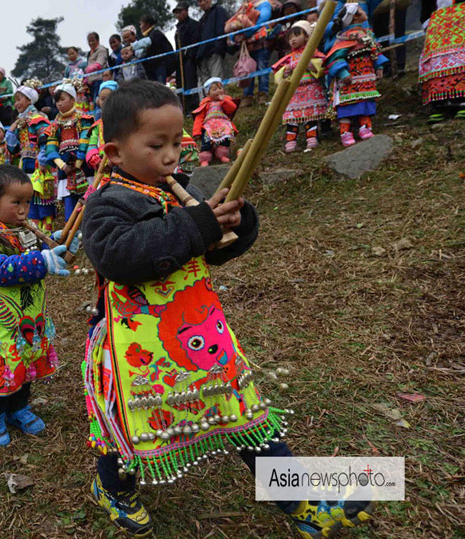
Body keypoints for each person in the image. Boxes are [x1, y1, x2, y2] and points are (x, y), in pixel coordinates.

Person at [80, 80, 374, 538]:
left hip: (200, 332)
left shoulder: (178, 190)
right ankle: (113, 489)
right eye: (156, 145)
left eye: (178, 142)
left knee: (243, 412)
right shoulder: (106, 203)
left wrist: (237, 222)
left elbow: (209, 250)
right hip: (134, 349)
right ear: (115, 153)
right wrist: (194, 226)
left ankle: (302, 504)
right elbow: (117, 257)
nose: (172, 155)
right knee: (129, 426)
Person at [0, 165, 73, 447]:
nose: (24, 210)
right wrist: (42, 262)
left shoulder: (24, 229)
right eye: (16, 203)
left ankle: (18, 407)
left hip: (26, 315)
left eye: (27, 202)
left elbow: (37, 249)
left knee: (26, 359)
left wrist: (57, 240)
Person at [325, 3, 388, 146]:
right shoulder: (344, 38)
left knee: (365, 102)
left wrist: (378, 66)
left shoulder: (367, 34)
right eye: (360, 10)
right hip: (350, 79)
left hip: (366, 78)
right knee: (347, 105)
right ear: (354, 17)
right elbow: (336, 57)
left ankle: (365, 128)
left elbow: (374, 51)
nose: (364, 11)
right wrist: (343, 73)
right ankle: (345, 133)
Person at [272, 21, 327, 152]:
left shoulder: (313, 52)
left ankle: (312, 138)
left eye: (296, 36)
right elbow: (278, 74)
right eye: (290, 38)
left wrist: (309, 64)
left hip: (310, 88)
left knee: (310, 116)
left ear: (307, 36)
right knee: (292, 117)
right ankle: (291, 142)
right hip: (293, 92)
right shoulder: (288, 58)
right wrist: (286, 70)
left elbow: (321, 64)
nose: (293, 40)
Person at [5, 82, 53, 231]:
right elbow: (13, 148)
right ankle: (34, 233)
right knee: (29, 203)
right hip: (25, 167)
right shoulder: (20, 123)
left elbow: (47, 139)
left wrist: (43, 159)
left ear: (29, 100)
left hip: (39, 166)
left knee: (44, 203)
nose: (17, 104)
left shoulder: (38, 119)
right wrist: (11, 129)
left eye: (20, 99)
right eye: (15, 100)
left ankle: (47, 234)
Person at [45, 82, 94, 221]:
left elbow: (86, 138)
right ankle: (71, 238)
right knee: (70, 208)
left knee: (88, 206)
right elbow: (51, 145)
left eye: (62, 99)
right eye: (57, 100)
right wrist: (62, 165)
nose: (59, 104)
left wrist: (78, 162)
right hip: (65, 169)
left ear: (73, 99)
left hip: (83, 167)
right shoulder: (55, 124)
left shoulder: (83, 118)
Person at [419, 0, 465, 122]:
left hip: (460, 24)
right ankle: (439, 104)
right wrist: (428, 24)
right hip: (436, 28)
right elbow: (425, 10)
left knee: (459, 61)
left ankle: (461, 100)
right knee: (435, 64)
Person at [191, 77, 238, 166]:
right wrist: (196, 132)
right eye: (214, 89)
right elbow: (199, 118)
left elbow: (232, 109)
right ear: (208, 92)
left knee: (225, 140)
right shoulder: (205, 104)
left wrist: (223, 101)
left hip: (223, 125)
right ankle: (205, 158)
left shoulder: (226, 100)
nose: (218, 91)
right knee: (207, 142)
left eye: (220, 88)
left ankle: (222, 154)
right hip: (209, 126)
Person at [85, 80, 119, 174]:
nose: (105, 101)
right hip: (102, 171)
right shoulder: (97, 125)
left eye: (109, 98)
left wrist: (112, 162)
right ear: (98, 101)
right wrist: (96, 161)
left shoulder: (124, 121)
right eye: (103, 98)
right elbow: (92, 145)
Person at [174, 2, 202, 110]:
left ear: (186, 11)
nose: (178, 15)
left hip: (190, 59)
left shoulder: (194, 25)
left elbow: (196, 41)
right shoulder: (178, 28)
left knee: (191, 82)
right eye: (176, 13)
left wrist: (188, 53)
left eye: (180, 11)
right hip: (180, 60)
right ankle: (184, 107)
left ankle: (193, 107)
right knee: (181, 83)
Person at [195, 0, 230, 88]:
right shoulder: (202, 19)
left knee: (217, 83)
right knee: (207, 86)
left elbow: (221, 30)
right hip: (203, 56)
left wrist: (217, 48)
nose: (201, 3)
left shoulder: (219, 11)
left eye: (202, 1)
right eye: (199, 2)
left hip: (214, 53)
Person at [139, 15, 175, 83]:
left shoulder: (155, 34)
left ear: (147, 24)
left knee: (160, 87)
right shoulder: (148, 36)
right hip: (151, 68)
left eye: (141, 24)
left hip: (159, 66)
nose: (140, 27)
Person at [86, 32, 110, 102]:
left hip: (99, 80)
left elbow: (100, 64)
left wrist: (89, 69)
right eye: (89, 41)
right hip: (91, 82)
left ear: (97, 40)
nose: (90, 43)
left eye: (92, 40)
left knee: (98, 102)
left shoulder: (101, 50)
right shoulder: (90, 53)